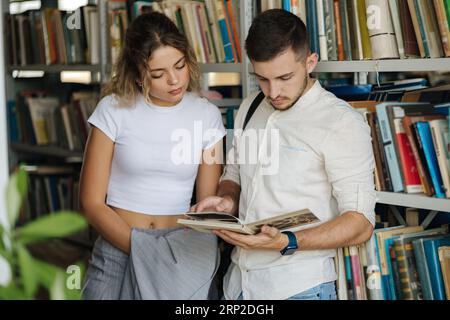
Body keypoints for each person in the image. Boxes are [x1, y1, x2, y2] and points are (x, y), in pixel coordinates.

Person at [192, 9, 376, 300]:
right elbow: (234, 175)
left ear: (310, 62)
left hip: (299, 287)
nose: (273, 91)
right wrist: (226, 200)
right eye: (262, 79)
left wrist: (287, 241)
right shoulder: (250, 106)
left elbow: (360, 223)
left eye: (284, 77)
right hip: (237, 284)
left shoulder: (341, 122)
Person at [79, 12, 226, 300]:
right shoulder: (113, 110)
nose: (174, 80)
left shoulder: (206, 115)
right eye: (158, 74)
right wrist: (142, 249)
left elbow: (207, 208)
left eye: (180, 66)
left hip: (179, 254)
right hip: (116, 250)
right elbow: (90, 202)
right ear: (137, 74)